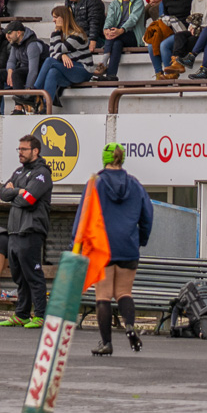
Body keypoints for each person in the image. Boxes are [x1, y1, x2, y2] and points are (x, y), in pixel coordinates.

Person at [82, 143, 154, 356]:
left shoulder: (95, 184)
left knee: (103, 295)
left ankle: (106, 343)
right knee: (124, 292)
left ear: (104, 159)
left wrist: (75, 246)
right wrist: (140, 239)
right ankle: (130, 327)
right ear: (122, 159)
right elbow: (147, 216)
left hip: (102, 246)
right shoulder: (135, 184)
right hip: (128, 245)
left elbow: (84, 216)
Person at [0, 133, 53, 329]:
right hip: (14, 231)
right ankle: (22, 314)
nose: (20, 153)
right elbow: (2, 193)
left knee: (33, 274)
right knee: (19, 276)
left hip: (31, 230)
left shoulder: (42, 173)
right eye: (18, 149)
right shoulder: (19, 172)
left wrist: (16, 192)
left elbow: (28, 200)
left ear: (35, 151)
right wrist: (17, 191)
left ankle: (40, 315)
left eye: (24, 149)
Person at [32, 5, 95, 107]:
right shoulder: (59, 34)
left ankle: (34, 92)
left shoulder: (77, 35)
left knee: (49, 61)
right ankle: (45, 107)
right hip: (69, 70)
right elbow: (51, 52)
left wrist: (56, 33)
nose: (53, 20)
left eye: (56, 17)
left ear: (64, 18)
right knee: (53, 72)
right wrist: (62, 56)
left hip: (83, 70)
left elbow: (58, 50)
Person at [95, 0, 146, 81]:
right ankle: (111, 75)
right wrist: (106, 30)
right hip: (118, 35)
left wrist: (121, 30)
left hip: (133, 35)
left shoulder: (138, 1)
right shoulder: (115, 2)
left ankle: (104, 62)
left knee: (115, 35)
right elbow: (110, 19)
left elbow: (133, 19)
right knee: (117, 44)